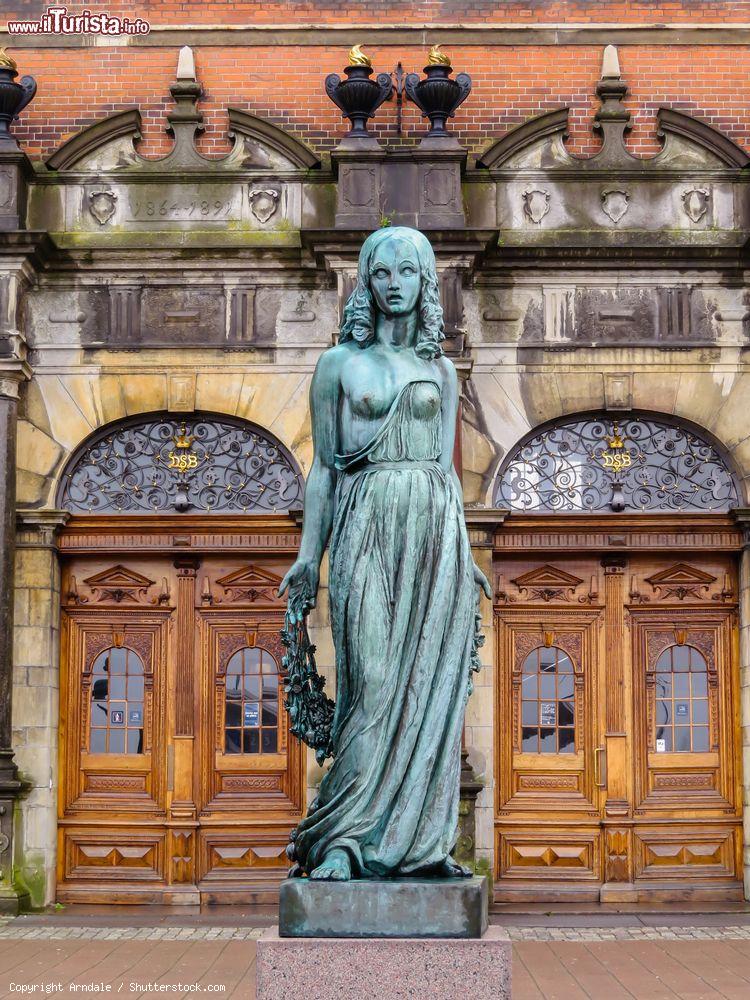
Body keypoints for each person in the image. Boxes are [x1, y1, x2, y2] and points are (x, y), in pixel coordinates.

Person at [279, 226, 491, 881]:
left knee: (428, 688)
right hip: (366, 528)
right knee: (370, 688)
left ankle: (419, 845)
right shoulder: (339, 365)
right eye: (381, 273)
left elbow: (447, 471)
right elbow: (323, 469)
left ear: (425, 283)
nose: (393, 284)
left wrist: (464, 550)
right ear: (365, 283)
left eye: (407, 272)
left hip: (433, 536)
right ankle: (342, 840)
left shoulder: (441, 369)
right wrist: (309, 558)